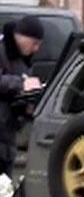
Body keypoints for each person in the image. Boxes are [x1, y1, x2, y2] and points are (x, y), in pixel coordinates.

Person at [0, 15, 44, 177]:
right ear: (21, 36)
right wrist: (20, 83)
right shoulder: (2, 50)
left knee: (4, 188)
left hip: (8, 134)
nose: (36, 49)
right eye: (35, 43)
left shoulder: (23, 60)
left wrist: (28, 104)